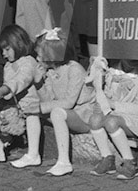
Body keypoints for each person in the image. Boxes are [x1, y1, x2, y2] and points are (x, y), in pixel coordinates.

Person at [14, 28, 92, 176]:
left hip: (82, 116)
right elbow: (48, 99)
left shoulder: (74, 69)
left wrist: (40, 107)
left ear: (51, 55)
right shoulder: (49, 71)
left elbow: (69, 102)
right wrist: (38, 83)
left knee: (54, 112)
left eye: (39, 54)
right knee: (32, 109)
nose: (37, 58)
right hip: (64, 114)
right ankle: (32, 154)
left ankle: (64, 162)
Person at [87, 57, 138, 180]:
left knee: (111, 121)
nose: (132, 60)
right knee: (94, 120)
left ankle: (130, 162)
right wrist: (99, 80)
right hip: (117, 113)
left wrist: (112, 104)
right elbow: (106, 94)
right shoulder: (112, 70)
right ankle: (107, 158)